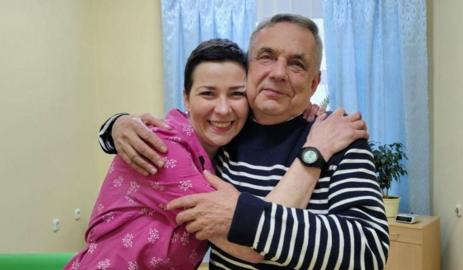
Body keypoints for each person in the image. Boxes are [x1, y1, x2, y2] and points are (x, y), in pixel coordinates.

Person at [99, 14, 389, 269]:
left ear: (314, 83)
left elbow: (369, 250)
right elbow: (171, 134)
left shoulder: (337, 138)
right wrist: (115, 126)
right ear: (249, 69)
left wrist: (241, 217)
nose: (278, 73)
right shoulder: (224, 134)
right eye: (266, 56)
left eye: (297, 64)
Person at [65, 39, 260, 270]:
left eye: (237, 94)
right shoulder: (161, 145)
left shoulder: (222, 151)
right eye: (208, 93)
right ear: (186, 97)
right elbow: (249, 245)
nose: (223, 109)